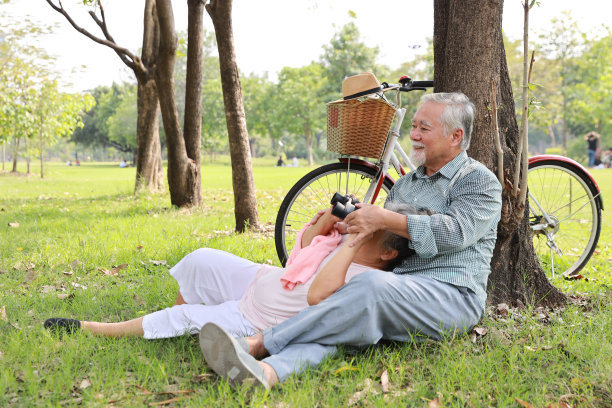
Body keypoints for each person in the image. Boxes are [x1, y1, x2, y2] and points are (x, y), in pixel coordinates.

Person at [199, 92, 503, 389]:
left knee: (368, 291)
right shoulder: (407, 184)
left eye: (424, 128)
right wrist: (354, 223)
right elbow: (389, 242)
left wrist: (384, 218)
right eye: (413, 126)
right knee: (344, 321)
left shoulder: (478, 180)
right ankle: (268, 372)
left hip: (451, 296)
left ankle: (259, 344)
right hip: (395, 287)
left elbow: (456, 231)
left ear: (455, 136)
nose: (414, 135)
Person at [44, 204, 423, 339]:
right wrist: (333, 216)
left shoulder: (368, 279)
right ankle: (182, 313)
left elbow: (317, 294)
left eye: (374, 228)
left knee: (184, 316)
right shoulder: (344, 243)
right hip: (260, 279)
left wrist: (355, 240)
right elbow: (305, 245)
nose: (363, 226)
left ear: (388, 252)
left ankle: (94, 329)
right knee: (201, 258)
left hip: (256, 316)